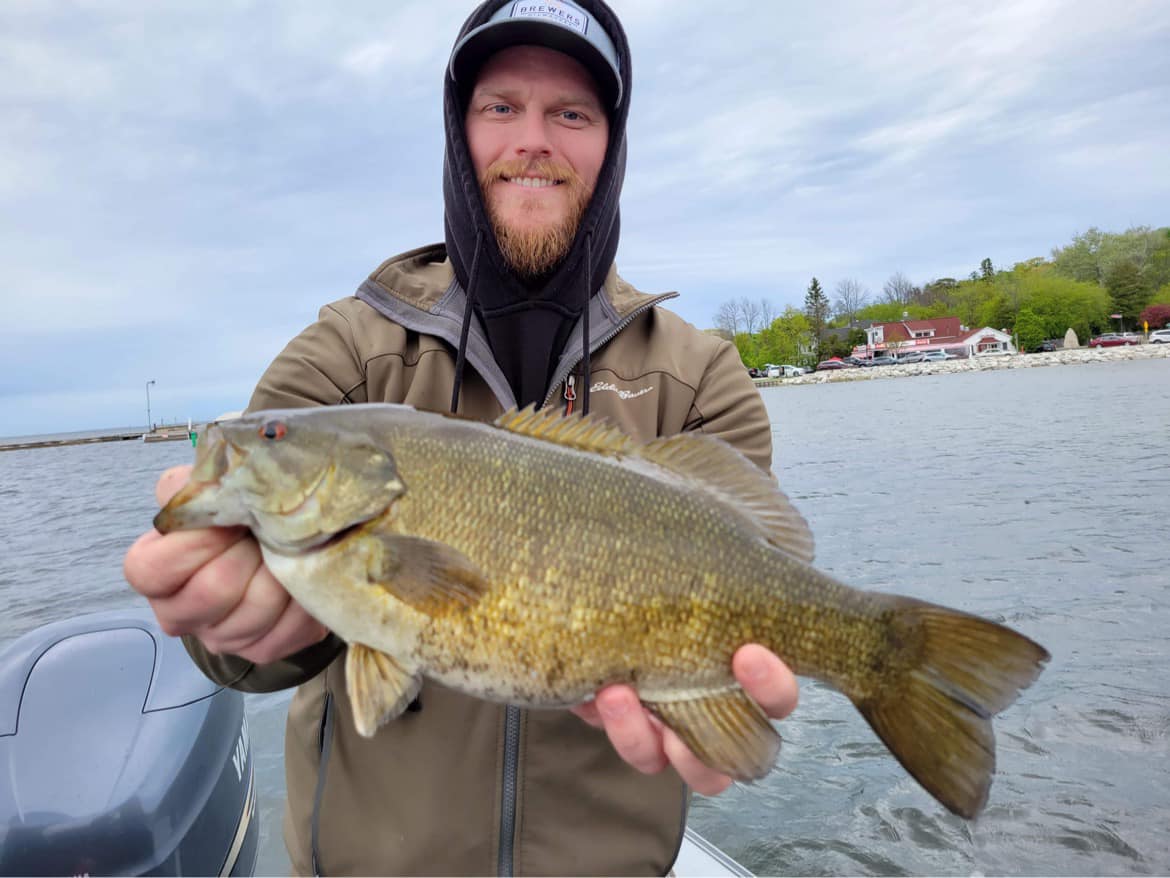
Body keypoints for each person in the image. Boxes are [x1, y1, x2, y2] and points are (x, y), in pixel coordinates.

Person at [124, 0, 799, 874]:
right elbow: (239, 648)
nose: (533, 140)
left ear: (611, 144)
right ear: (459, 132)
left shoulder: (702, 378)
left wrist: (715, 714)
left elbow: (756, 571)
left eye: (572, 113)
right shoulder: (344, 354)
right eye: (500, 107)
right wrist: (225, 625)